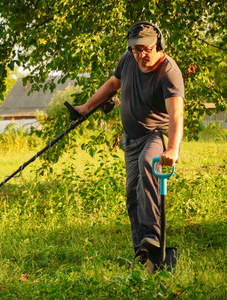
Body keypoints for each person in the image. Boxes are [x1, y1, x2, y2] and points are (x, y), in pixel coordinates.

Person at [75, 22, 185, 263]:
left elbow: (176, 113)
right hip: (131, 138)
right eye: (136, 49)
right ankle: (142, 254)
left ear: (157, 45)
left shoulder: (168, 72)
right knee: (132, 193)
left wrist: (172, 150)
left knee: (149, 164)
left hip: (156, 133)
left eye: (145, 49)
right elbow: (113, 84)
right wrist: (85, 108)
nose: (140, 54)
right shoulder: (128, 59)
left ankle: (153, 235)